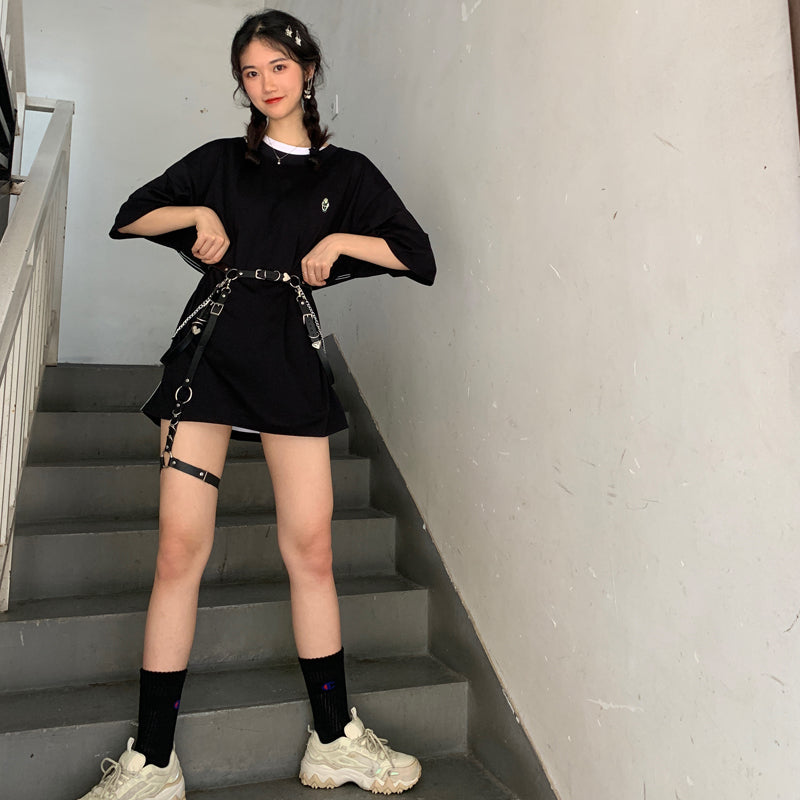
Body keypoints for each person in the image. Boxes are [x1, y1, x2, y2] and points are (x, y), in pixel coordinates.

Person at [78, 9, 435, 800]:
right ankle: (153, 761)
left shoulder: (347, 177)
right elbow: (130, 215)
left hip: (288, 365)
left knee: (312, 551)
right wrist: (199, 215)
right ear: (241, 84)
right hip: (207, 362)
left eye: (278, 66)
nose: (265, 83)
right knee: (180, 551)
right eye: (250, 71)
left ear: (307, 71)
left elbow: (416, 254)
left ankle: (334, 740)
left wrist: (340, 243)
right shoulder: (219, 163)